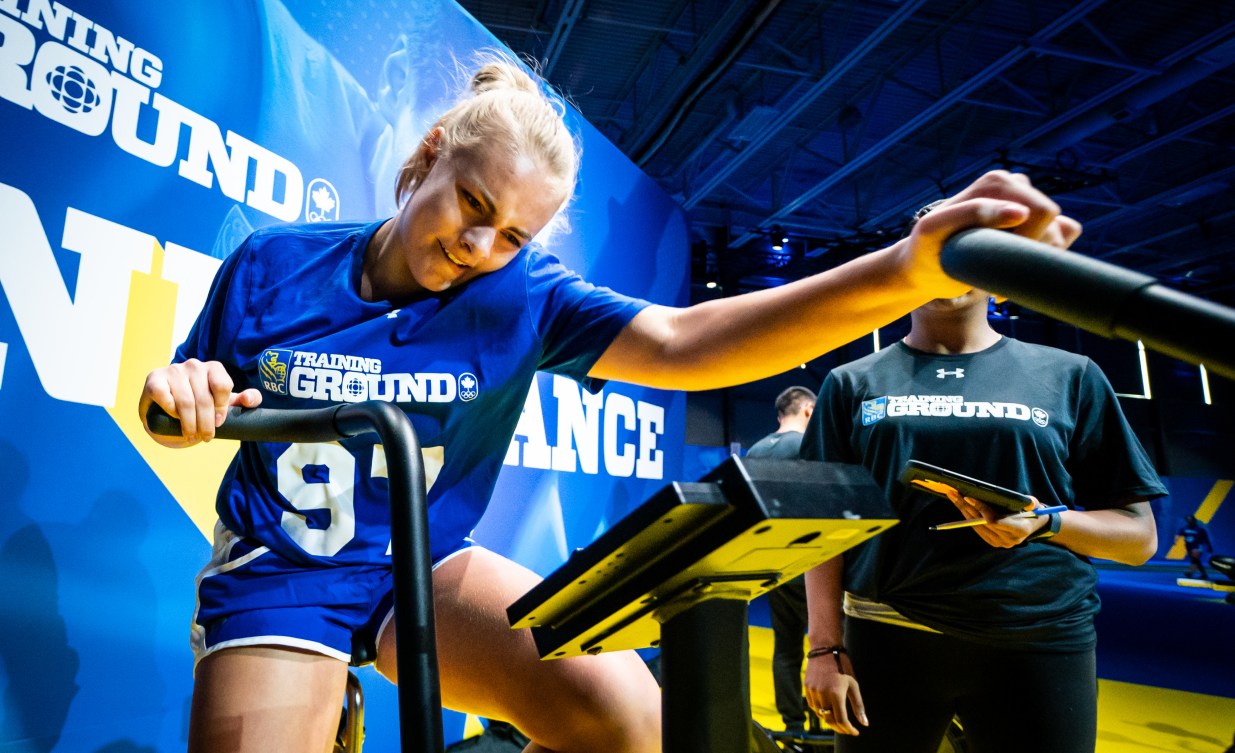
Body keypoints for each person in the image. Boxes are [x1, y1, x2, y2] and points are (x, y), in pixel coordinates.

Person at [137, 54, 1082, 753]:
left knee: (629, 719)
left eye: (512, 234)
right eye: (471, 204)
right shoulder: (273, 262)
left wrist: (902, 269)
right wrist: (175, 396)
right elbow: (174, 400)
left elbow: (684, 343)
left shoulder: (525, 293)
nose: (480, 245)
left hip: (421, 565)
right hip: (283, 571)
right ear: (429, 154)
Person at [799, 201, 1166, 753]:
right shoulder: (851, 383)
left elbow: (1140, 539)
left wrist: (1044, 524)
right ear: (905, 271)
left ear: (1001, 283)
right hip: (888, 634)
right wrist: (824, 647)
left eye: (969, 250)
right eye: (934, 248)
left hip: (1040, 637)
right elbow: (822, 523)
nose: (950, 265)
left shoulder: (1071, 376)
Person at [746, 386, 816, 733]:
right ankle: (824, 723)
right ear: (807, 409)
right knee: (825, 644)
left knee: (785, 646)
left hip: (774, 564)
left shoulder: (756, 450)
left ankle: (793, 723)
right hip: (812, 562)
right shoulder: (808, 446)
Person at [1178, 514, 1214, 579]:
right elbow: (1180, 534)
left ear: (1194, 521)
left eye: (1190, 520)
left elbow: (1206, 539)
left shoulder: (1200, 529)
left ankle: (1190, 573)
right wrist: (1176, 539)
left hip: (1197, 547)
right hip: (1189, 547)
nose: (1189, 521)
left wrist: (1209, 547)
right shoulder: (1184, 528)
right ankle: (1203, 574)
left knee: (1195, 559)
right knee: (1195, 560)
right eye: (1188, 520)